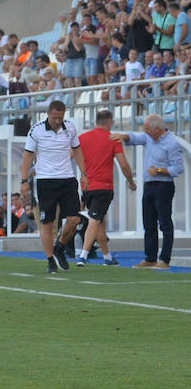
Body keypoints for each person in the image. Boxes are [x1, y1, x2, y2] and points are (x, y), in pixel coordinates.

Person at [20, 100, 88, 274]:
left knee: (74, 220)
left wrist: (83, 173)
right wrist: (24, 180)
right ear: (48, 114)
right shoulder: (36, 130)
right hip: (46, 181)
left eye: (61, 117)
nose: (58, 121)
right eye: (55, 117)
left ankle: (60, 247)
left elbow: (78, 150)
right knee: (48, 224)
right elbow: (27, 157)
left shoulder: (70, 128)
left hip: (67, 179)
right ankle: (50, 260)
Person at [111, 115, 185, 270]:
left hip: (163, 186)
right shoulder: (150, 138)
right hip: (149, 185)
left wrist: (159, 171)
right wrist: (123, 136)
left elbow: (178, 168)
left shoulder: (172, 144)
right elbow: (136, 138)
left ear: (156, 130)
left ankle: (164, 259)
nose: (145, 132)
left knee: (165, 223)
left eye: (147, 129)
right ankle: (150, 258)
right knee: (149, 223)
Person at [76, 110, 136, 266]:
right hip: (103, 186)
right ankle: (83, 254)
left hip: (87, 187)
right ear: (109, 123)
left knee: (100, 220)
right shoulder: (113, 138)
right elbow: (123, 165)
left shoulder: (82, 138)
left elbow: (71, 155)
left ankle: (107, 256)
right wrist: (131, 181)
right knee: (95, 219)